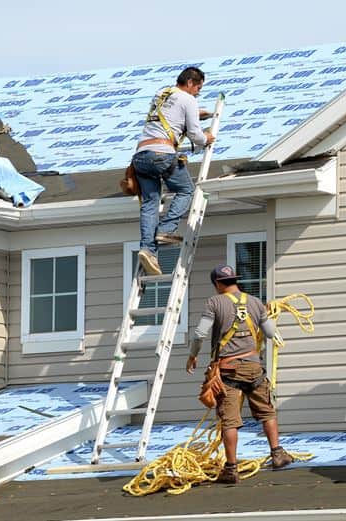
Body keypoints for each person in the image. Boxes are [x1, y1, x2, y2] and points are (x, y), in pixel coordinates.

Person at [187, 264, 293, 484]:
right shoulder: (255, 302)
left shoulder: (214, 302)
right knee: (267, 411)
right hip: (254, 367)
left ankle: (231, 469)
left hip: (229, 370)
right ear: (235, 280)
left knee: (230, 421)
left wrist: (193, 355)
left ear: (217, 283)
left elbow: (200, 333)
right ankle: (278, 454)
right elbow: (271, 332)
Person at [132, 66, 215, 276]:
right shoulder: (188, 100)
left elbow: (171, 116)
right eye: (198, 88)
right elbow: (195, 135)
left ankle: (147, 250)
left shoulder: (162, 93)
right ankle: (167, 230)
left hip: (141, 155)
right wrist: (206, 138)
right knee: (186, 190)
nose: (198, 93)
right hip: (162, 154)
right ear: (190, 83)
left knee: (151, 202)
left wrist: (196, 113)